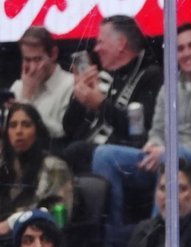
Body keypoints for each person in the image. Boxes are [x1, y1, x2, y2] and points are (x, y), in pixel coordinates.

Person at [90, 23, 191, 247]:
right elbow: (157, 129)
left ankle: (154, 241)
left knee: (171, 158)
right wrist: (153, 146)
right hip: (162, 155)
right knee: (103, 155)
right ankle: (113, 238)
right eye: (179, 48)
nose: (186, 53)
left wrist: (167, 152)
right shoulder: (168, 86)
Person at [61, 15, 163, 175]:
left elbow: (140, 131)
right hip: (91, 153)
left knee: (75, 151)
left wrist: (101, 105)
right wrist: (80, 97)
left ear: (121, 43)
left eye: (100, 42)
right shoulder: (103, 77)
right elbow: (68, 128)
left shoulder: (151, 76)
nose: (96, 49)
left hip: (126, 159)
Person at [0, 103, 74, 240]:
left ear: (37, 131)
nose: (19, 131)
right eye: (13, 125)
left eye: (26, 125)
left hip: (36, 241)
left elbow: (60, 218)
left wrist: (12, 222)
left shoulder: (55, 167)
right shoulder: (3, 166)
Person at [10, 27, 74, 145]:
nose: (33, 67)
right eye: (27, 60)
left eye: (37, 59)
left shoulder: (71, 85)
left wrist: (27, 102)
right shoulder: (17, 87)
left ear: (53, 54)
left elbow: (61, 133)